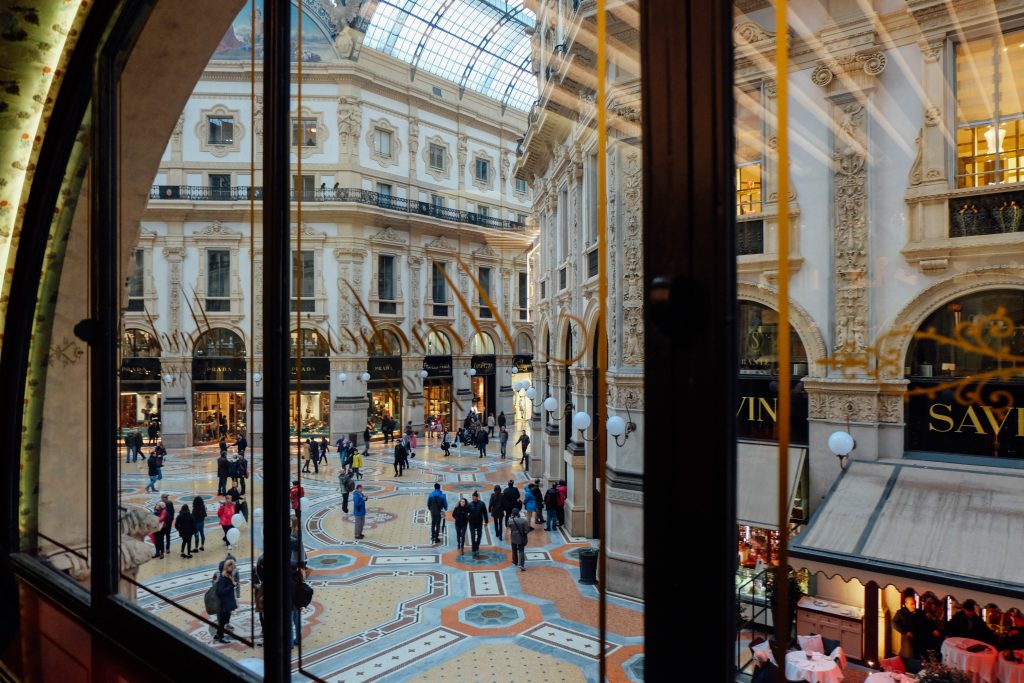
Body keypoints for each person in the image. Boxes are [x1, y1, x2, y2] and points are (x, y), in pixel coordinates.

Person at [894, 588, 940, 663]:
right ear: (906, 604)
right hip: (909, 639)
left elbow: (927, 622)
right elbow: (894, 623)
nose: (914, 606)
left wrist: (933, 629)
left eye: (915, 603)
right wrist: (906, 632)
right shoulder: (901, 613)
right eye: (912, 604)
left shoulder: (919, 612)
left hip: (920, 638)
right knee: (910, 656)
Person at [213, 558, 239, 644]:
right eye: (231, 567)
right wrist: (232, 585)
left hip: (226, 603)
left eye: (233, 566)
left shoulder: (228, 576)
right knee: (223, 621)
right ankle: (221, 637)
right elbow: (220, 592)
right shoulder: (223, 578)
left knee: (223, 621)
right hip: (223, 604)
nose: (233, 568)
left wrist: (233, 584)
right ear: (226, 567)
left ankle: (218, 635)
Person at [506, 505, 531, 571]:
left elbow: (508, 526)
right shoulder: (523, 520)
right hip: (521, 537)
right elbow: (527, 530)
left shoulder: (510, 520)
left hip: (513, 537)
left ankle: (515, 560)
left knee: (514, 549)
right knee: (521, 550)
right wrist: (524, 533)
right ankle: (521, 564)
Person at [467, 491, 488, 555]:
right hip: (472, 523)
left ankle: (477, 545)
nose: (473, 498)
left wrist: (486, 521)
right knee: (472, 536)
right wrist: (467, 519)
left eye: (474, 497)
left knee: (479, 535)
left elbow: (485, 513)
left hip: (479, 523)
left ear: (477, 497)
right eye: (472, 497)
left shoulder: (482, 504)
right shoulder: (470, 504)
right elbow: (466, 513)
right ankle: (473, 548)